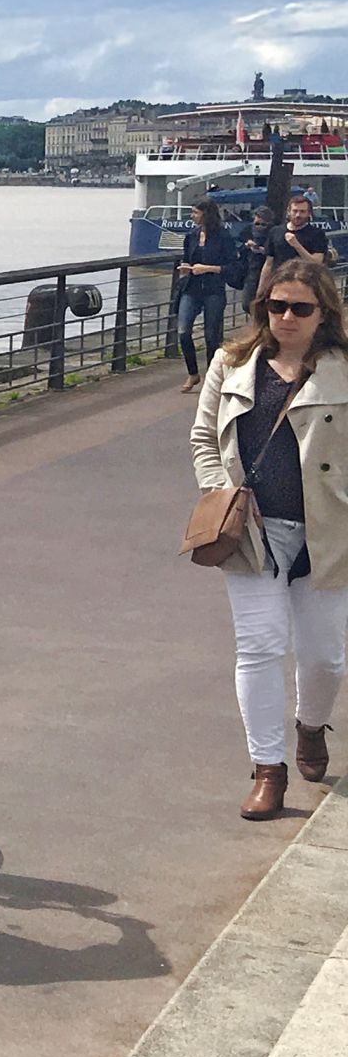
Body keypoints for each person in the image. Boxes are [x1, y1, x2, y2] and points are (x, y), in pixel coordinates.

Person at [189, 258, 348, 821]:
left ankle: (310, 725)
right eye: (275, 306)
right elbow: (204, 436)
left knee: (326, 657)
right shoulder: (231, 364)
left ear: (323, 313)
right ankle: (267, 770)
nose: (285, 317)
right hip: (252, 532)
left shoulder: (342, 369)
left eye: (299, 308)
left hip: (327, 532)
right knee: (258, 649)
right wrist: (222, 489)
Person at [174, 201, 242, 394]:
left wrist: (208, 269)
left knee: (212, 336)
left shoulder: (223, 237)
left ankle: (213, 377)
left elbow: (233, 266)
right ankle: (193, 372)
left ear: (206, 214)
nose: (192, 216)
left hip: (213, 288)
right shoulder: (191, 236)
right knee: (183, 330)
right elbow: (187, 257)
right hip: (191, 288)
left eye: (195, 212)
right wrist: (185, 269)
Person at [282, 191, 331, 271]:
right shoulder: (276, 231)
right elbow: (269, 264)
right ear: (288, 211)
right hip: (280, 281)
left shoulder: (317, 234)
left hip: (307, 280)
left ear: (309, 213)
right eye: (295, 211)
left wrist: (296, 245)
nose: (298, 215)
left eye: (302, 211)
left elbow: (316, 264)